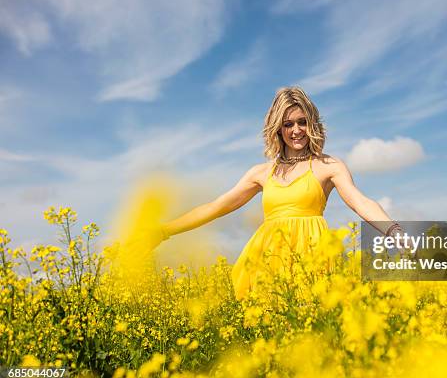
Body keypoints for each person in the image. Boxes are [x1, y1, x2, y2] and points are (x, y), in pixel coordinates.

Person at [151, 86, 401, 299]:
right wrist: (163, 232)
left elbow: (360, 202)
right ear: (278, 129)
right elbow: (216, 207)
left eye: (302, 122)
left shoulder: (329, 166)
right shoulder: (261, 173)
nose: (296, 130)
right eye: (288, 124)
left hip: (312, 259)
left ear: (312, 124)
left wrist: (394, 231)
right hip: (266, 260)